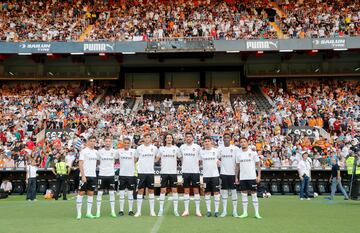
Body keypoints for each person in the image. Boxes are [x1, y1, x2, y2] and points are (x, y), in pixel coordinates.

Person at [236, 137, 262, 219]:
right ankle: (245, 213)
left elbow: (258, 165)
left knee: (254, 194)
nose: (243, 143)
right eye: (241, 142)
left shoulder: (253, 153)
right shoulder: (238, 154)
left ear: (247, 143)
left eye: (244, 141)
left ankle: (257, 213)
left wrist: (258, 176)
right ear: (240, 143)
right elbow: (237, 166)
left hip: (252, 177)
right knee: (244, 195)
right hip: (243, 178)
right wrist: (236, 177)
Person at [134, 133, 158, 217]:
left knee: (151, 191)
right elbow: (135, 159)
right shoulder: (139, 148)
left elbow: (156, 158)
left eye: (149, 137)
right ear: (143, 138)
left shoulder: (154, 148)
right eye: (146, 137)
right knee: (140, 191)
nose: (147, 139)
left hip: (150, 172)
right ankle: (138, 211)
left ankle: (152, 211)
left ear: (151, 139)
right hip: (141, 173)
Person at [157, 134, 180, 217]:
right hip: (163, 172)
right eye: (167, 138)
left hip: (173, 173)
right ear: (165, 140)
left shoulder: (176, 149)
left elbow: (181, 158)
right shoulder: (161, 148)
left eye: (170, 138)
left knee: (174, 190)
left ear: (172, 139)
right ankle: (160, 209)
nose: (169, 139)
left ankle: (175, 210)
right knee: (163, 191)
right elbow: (156, 159)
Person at [179, 132, 202, 217]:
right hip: (185, 172)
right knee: (186, 191)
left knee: (196, 190)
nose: (188, 138)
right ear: (185, 138)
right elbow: (180, 158)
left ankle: (197, 210)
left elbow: (200, 160)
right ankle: (186, 210)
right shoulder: (182, 147)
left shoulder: (197, 147)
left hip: (195, 172)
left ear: (193, 138)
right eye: (187, 137)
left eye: (190, 137)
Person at [76, 136, 98, 220]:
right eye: (91, 141)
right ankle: (79, 213)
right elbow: (80, 164)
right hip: (84, 176)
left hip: (93, 176)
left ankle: (89, 213)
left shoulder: (96, 152)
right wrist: (83, 175)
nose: (92, 142)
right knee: (81, 193)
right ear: (88, 142)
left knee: (91, 194)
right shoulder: (83, 151)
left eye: (94, 141)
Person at [96, 136, 118, 218]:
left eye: (109, 141)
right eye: (106, 141)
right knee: (99, 193)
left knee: (112, 193)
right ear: (104, 142)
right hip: (102, 175)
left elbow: (116, 160)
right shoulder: (99, 152)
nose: (108, 143)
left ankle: (112, 211)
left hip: (111, 175)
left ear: (111, 142)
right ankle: (98, 212)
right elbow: (97, 162)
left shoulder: (114, 152)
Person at [218, 133, 239, 217]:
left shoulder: (235, 148)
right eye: (225, 138)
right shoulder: (220, 148)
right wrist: (218, 162)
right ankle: (224, 211)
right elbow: (215, 157)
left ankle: (234, 211)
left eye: (228, 137)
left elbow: (237, 162)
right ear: (223, 139)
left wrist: (237, 176)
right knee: (224, 192)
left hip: (232, 174)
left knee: (234, 192)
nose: (226, 139)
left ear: (230, 139)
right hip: (223, 173)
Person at [200, 136, 221, 217]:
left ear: (211, 142)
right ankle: (208, 211)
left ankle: (216, 211)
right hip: (206, 176)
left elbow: (219, 160)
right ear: (204, 143)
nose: (207, 142)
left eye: (208, 141)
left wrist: (218, 162)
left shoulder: (216, 151)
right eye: (205, 141)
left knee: (216, 193)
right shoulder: (202, 152)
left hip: (215, 175)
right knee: (207, 193)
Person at [117, 138, 136, 216]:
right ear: (123, 143)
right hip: (122, 175)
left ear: (130, 143)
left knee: (130, 193)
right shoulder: (119, 151)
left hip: (131, 175)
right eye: (125, 143)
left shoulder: (134, 151)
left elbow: (137, 159)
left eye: (128, 143)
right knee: (121, 193)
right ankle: (121, 210)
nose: (126, 144)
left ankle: (130, 210)